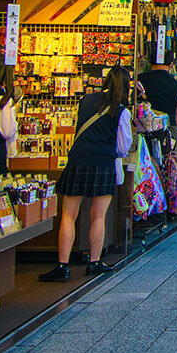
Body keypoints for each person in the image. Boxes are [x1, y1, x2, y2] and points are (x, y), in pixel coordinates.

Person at [40, 66, 132, 282]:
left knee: (68, 215)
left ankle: (62, 265)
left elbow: (77, 128)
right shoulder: (121, 110)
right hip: (103, 163)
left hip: (78, 161)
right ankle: (95, 261)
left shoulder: (86, 101)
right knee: (97, 215)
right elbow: (123, 146)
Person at [137, 49, 177, 126]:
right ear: (170, 64)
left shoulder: (139, 80)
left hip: (143, 126)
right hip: (167, 126)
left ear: (150, 63)